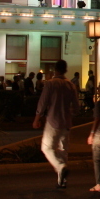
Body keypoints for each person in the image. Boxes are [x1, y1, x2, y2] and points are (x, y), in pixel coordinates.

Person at [33, 59, 78, 189]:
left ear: (55, 70)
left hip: (53, 120)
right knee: (63, 150)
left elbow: (43, 102)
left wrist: (37, 118)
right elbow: (76, 107)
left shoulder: (51, 84)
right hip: (66, 121)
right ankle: (62, 180)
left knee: (46, 148)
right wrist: (70, 112)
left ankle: (60, 167)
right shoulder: (70, 85)